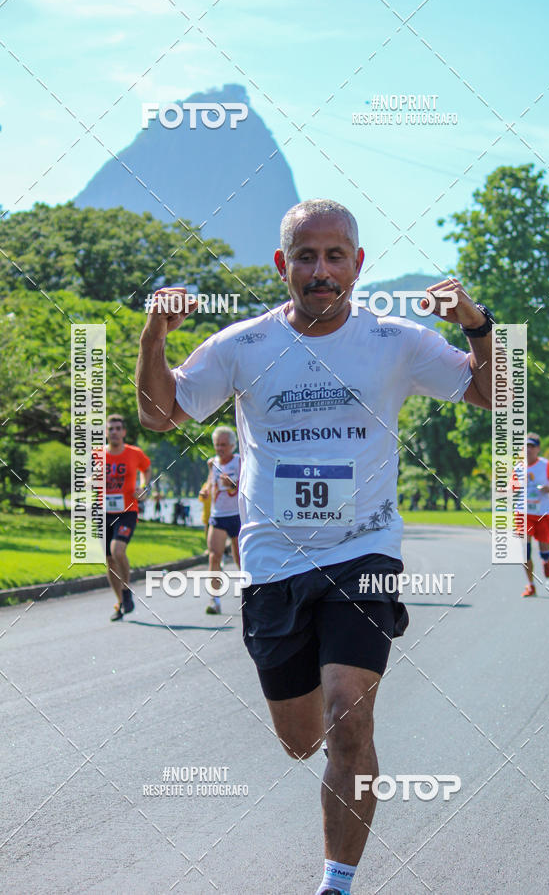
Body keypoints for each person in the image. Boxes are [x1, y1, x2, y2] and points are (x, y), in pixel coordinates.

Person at [136, 199, 493, 894]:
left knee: (347, 717)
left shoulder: (395, 341)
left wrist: (479, 326)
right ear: (283, 266)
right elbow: (160, 414)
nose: (321, 270)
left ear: (358, 264)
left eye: (336, 256)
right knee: (302, 739)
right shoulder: (243, 347)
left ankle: (336, 883)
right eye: (307, 256)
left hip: (365, 552)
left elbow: (495, 395)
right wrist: (154, 336)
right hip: (274, 562)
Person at [104, 414, 151, 621]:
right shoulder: (97, 455)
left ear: (123, 432)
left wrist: (144, 487)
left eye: (117, 428)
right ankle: (121, 602)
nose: (114, 432)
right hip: (104, 512)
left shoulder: (134, 453)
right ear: (106, 432)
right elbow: (88, 475)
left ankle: (126, 589)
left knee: (117, 550)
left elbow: (147, 469)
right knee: (109, 560)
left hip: (127, 511)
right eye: (110, 428)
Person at [515, 432, 549, 597]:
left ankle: (546, 559)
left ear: (538, 449)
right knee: (525, 550)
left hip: (543, 513)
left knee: (544, 548)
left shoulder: (545, 465)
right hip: (524, 513)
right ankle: (530, 585)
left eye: (532, 446)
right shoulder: (518, 467)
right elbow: (511, 487)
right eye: (526, 446)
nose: (528, 449)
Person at [203, 426, 241, 614]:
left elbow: (245, 486)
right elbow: (211, 482)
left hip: (238, 515)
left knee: (240, 558)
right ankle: (214, 599)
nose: (220, 449)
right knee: (214, 555)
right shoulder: (213, 463)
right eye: (217, 445)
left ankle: (250, 595)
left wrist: (232, 484)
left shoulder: (240, 461)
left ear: (233, 445)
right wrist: (206, 491)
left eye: (224, 445)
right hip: (218, 515)